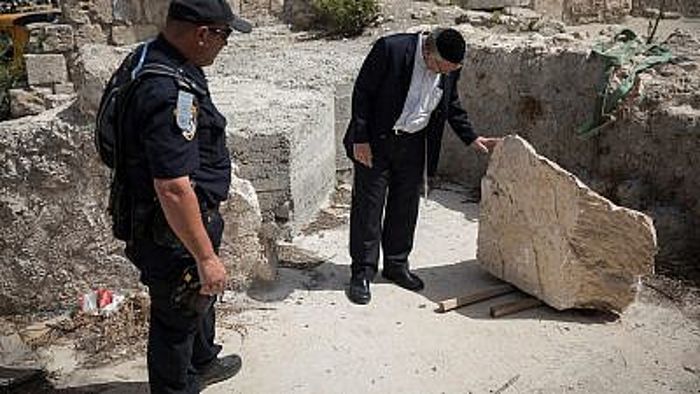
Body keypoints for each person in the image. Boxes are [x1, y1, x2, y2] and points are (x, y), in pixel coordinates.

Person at [106, 0, 252, 392]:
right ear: (202, 34)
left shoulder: (153, 57)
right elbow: (172, 187)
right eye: (225, 35)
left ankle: (202, 361)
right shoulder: (168, 90)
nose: (226, 44)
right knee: (177, 316)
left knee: (201, 296)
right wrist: (205, 256)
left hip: (177, 219)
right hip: (171, 229)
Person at [343, 27, 500, 305]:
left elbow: (450, 103)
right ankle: (362, 273)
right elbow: (363, 94)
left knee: (405, 206)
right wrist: (361, 139)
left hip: (415, 143)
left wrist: (472, 137)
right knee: (369, 207)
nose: (444, 74)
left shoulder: (448, 66)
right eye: (441, 68)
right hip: (377, 140)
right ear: (428, 52)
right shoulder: (390, 49)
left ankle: (396, 265)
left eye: (450, 70)